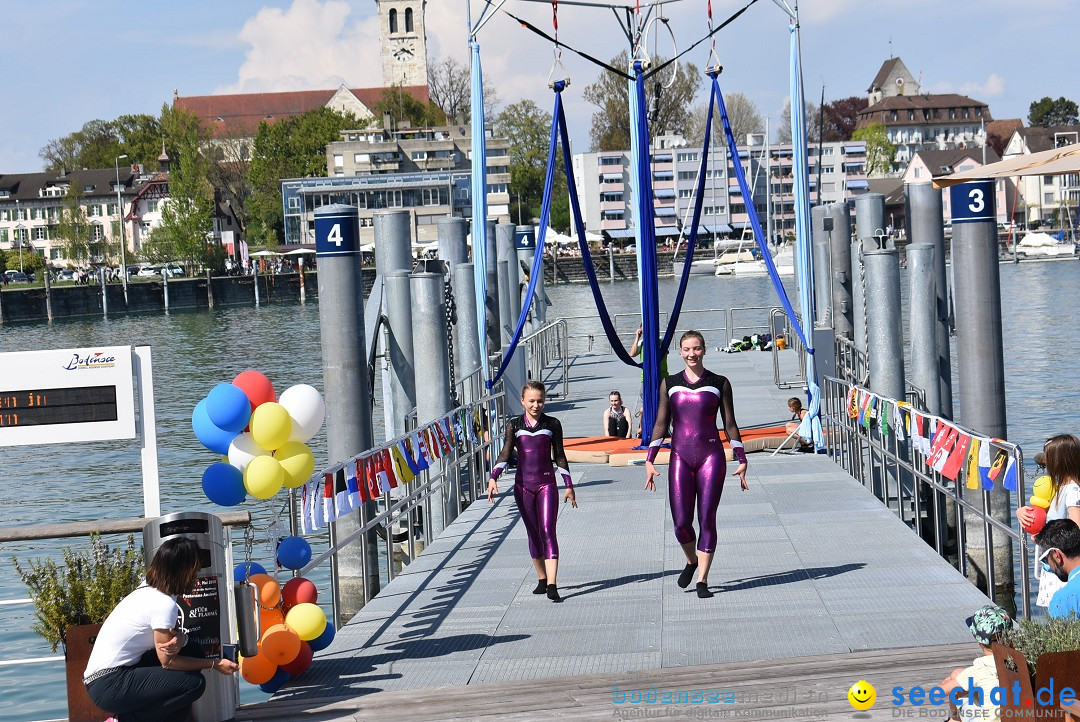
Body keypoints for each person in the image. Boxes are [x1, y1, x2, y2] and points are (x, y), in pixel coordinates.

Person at [84, 536, 239, 721]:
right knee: (193, 685)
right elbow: (168, 662)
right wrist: (215, 664)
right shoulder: (163, 604)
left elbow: (172, 643)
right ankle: (124, 720)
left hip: (108, 679)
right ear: (182, 571)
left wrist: (182, 639)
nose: (196, 576)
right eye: (194, 570)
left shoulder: (150, 590)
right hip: (109, 685)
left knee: (193, 653)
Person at [644, 330, 749, 599]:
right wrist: (649, 460)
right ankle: (691, 560)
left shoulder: (720, 382)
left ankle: (702, 579)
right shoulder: (671, 382)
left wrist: (741, 458)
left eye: (697, 348)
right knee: (681, 522)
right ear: (681, 352)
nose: (692, 354)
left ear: (704, 349)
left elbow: (730, 423)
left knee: (706, 518)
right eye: (687, 349)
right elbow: (660, 423)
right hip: (680, 456)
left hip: (711, 457)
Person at [489, 380, 578, 602]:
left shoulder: (552, 423)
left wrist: (568, 485)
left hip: (546, 484)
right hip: (522, 486)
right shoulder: (514, 425)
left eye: (540, 401)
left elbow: (559, 456)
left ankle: (552, 584)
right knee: (532, 531)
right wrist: (493, 477)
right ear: (522, 401)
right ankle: (541, 577)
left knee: (548, 529)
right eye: (531, 401)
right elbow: (506, 452)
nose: (536, 405)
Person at [1016, 434, 1080, 608]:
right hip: (1055, 566)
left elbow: (1075, 533)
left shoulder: (1073, 492)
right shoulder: (1060, 488)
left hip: (1064, 570)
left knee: (1063, 619)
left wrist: (1042, 539)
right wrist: (1021, 511)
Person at [939, 604, 1012, 722]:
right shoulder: (1019, 661)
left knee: (956, 684)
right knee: (960, 676)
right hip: (1017, 715)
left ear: (979, 642)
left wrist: (947, 682)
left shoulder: (979, 669)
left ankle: (954, 720)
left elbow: (939, 693)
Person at [1033, 519, 1080, 618]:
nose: (1049, 567)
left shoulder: (1063, 600)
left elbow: (1061, 633)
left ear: (1057, 556)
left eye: (1045, 560)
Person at [630, 326, 669, 434]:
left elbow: (666, 352)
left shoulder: (661, 341)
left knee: (664, 403)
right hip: (646, 378)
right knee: (646, 404)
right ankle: (644, 428)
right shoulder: (642, 343)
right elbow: (632, 354)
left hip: (662, 376)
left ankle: (664, 428)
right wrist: (637, 337)